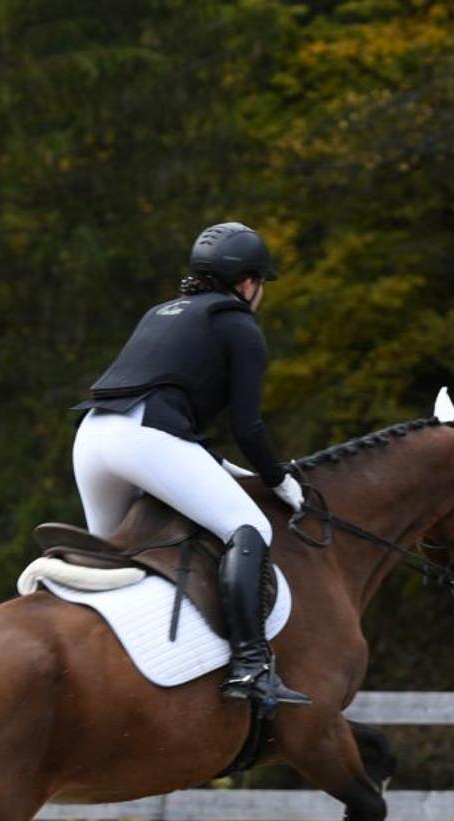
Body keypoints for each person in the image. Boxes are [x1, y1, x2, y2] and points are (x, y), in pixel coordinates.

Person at [70, 220, 309, 713]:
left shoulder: (160, 313)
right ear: (247, 283)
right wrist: (277, 478)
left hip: (93, 439)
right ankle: (249, 665)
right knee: (249, 527)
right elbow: (248, 426)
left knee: (117, 561)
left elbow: (165, 412)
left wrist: (223, 468)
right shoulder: (239, 325)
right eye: (260, 282)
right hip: (146, 440)